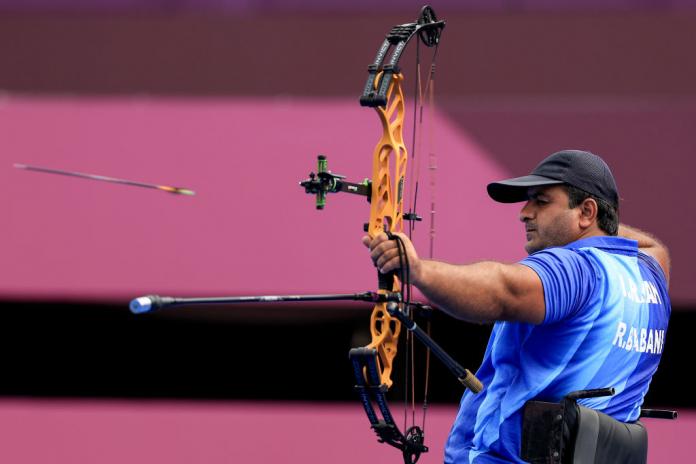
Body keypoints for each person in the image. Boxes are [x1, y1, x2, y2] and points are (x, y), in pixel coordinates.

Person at [363, 149, 671, 463]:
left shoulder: (577, 269)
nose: (524, 212)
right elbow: (655, 246)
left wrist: (418, 271)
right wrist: (600, 222)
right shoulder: (649, 273)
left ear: (586, 212)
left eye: (542, 200)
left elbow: (504, 289)